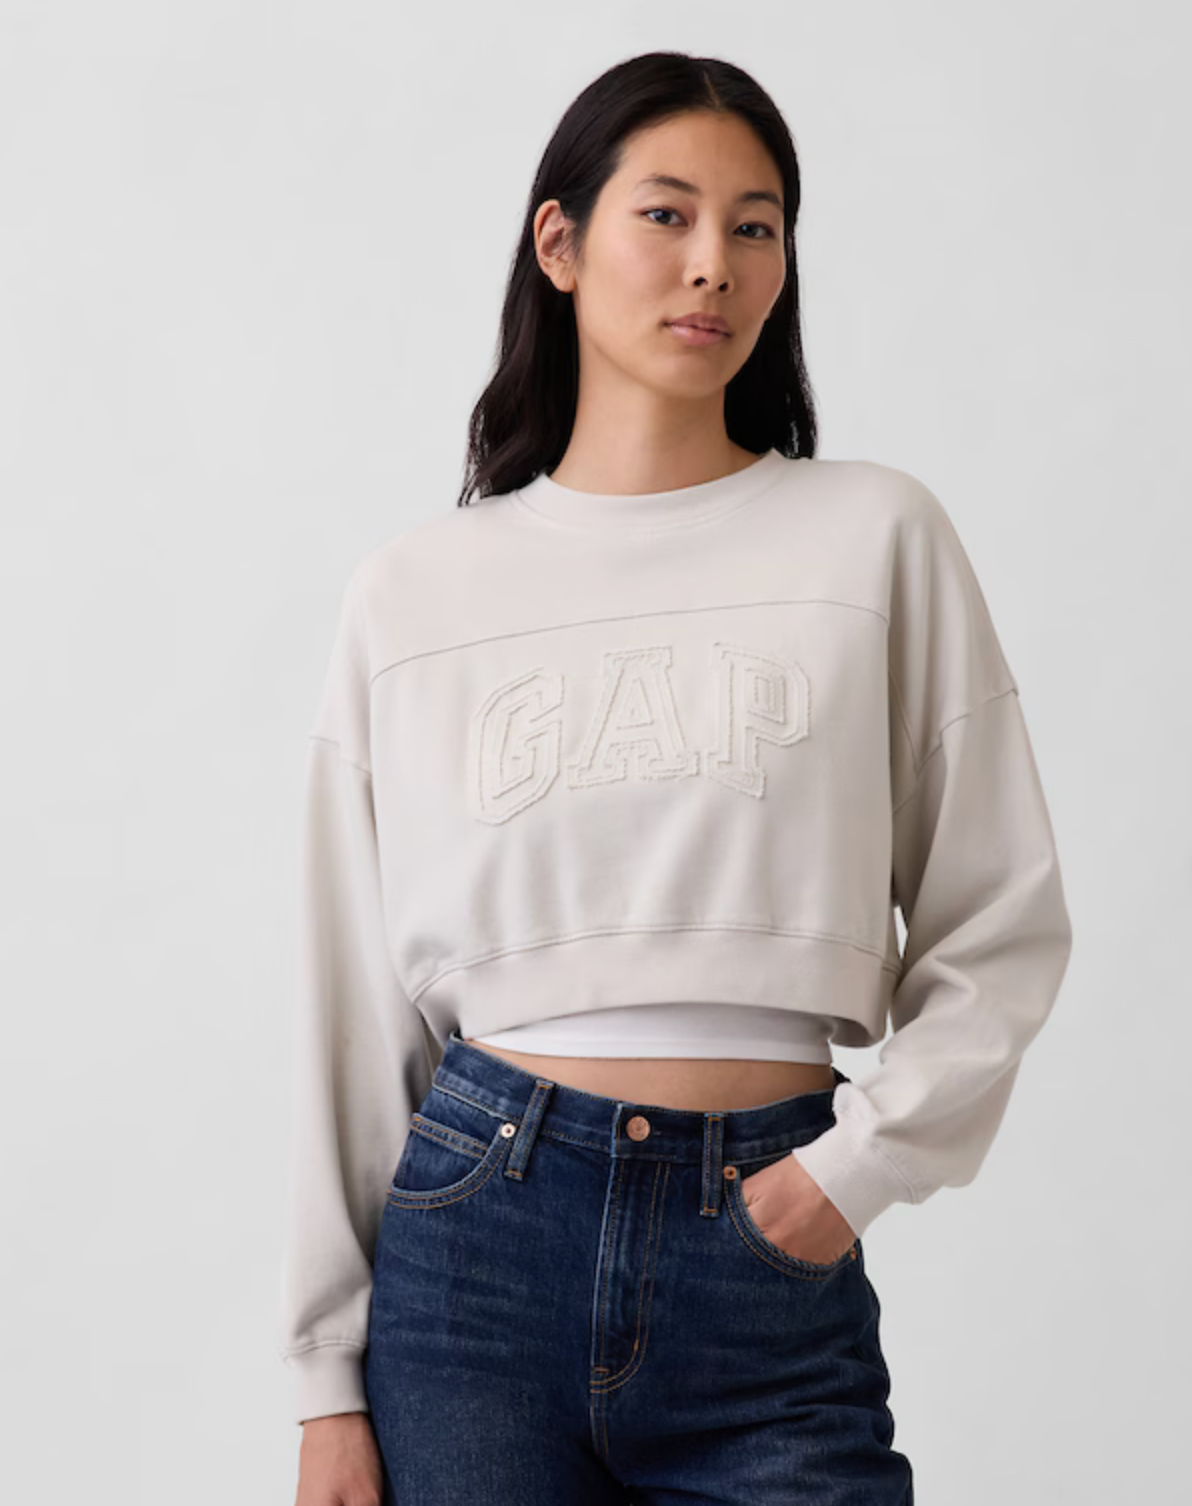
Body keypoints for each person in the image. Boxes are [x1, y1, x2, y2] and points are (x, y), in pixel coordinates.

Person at [280, 50, 1073, 1506]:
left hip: (766, 1256)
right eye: (668, 214)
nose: (715, 262)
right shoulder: (415, 593)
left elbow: (1002, 920)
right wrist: (327, 1382)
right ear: (561, 242)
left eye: (756, 226)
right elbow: (355, 1014)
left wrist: (851, 1173)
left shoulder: (874, 539)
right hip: (473, 1261)